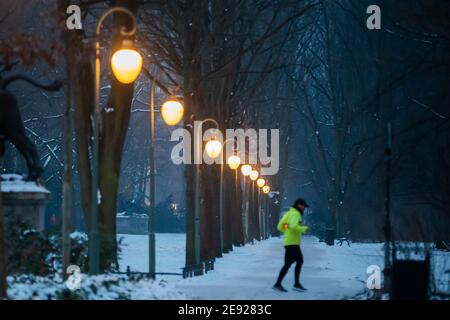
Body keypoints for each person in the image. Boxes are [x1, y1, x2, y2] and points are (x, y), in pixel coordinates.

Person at [273, 198, 309, 292]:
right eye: (303, 206)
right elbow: (294, 226)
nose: (304, 209)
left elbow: (280, 226)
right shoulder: (296, 214)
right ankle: (284, 284)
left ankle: (283, 283)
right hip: (293, 242)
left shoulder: (289, 213)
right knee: (296, 262)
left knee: (292, 263)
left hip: (289, 242)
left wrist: (287, 228)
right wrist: (303, 228)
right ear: (299, 205)